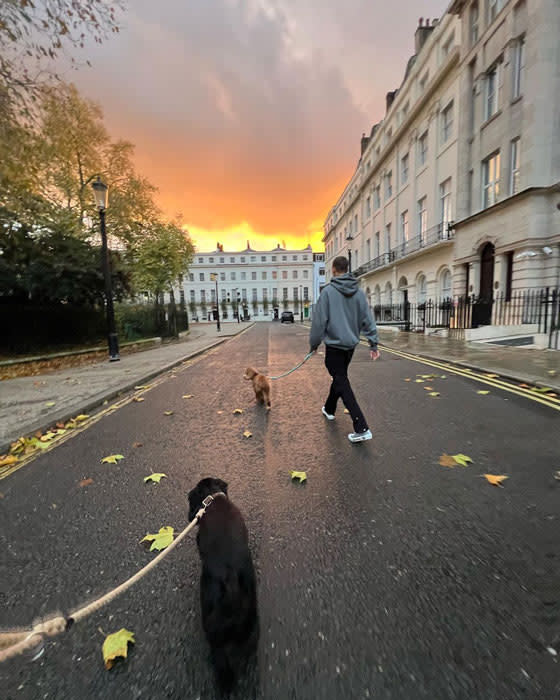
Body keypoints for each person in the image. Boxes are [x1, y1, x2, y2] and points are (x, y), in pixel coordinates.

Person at [309, 255, 380, 443]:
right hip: (350, 347)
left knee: (341, 379)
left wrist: (314, 344)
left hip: (334, 346)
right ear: (347, 269)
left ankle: (361, 426)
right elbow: (368, 319)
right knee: (339, 377)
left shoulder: (328, 292)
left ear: (333, 270)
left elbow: (319, 322)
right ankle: (329, 408)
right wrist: (373, 343)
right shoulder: (358, 292)